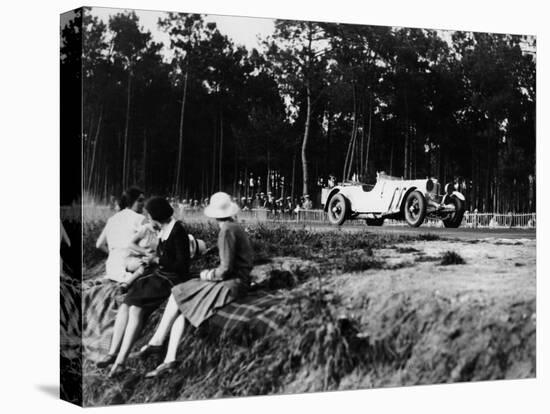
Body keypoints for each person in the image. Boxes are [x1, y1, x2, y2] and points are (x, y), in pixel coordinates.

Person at [135, 192, 253, 378]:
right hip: (238, 280)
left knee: (178, 292)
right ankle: (169, 359)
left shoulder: (226, 231)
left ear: (214, 213)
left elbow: (226, 269)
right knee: (183, 303)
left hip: (232, 283)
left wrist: (208, 274)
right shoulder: (234, 227)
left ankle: (157, 342)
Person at [98, 196, 191, 377]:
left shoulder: (177, 231)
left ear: (157, 217)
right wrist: (152, 260)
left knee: (135, 309)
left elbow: (182, 265)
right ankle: (113, 353)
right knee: (127, 303)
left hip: (172, 279)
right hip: (160, 275)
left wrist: (157, 259)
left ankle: (120, 361)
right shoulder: (163, 229)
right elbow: (163, 257)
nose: (148, 220)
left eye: (150, 217)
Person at [96, 187, 146, 283]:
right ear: (130, 201)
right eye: (140, 200)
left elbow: (99, 244)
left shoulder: (112, 219)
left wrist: (114, 253)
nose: (143, 204)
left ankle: (104, 281)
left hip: (112, 265)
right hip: (130, 264)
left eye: (143, 200)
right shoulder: (140, 218)